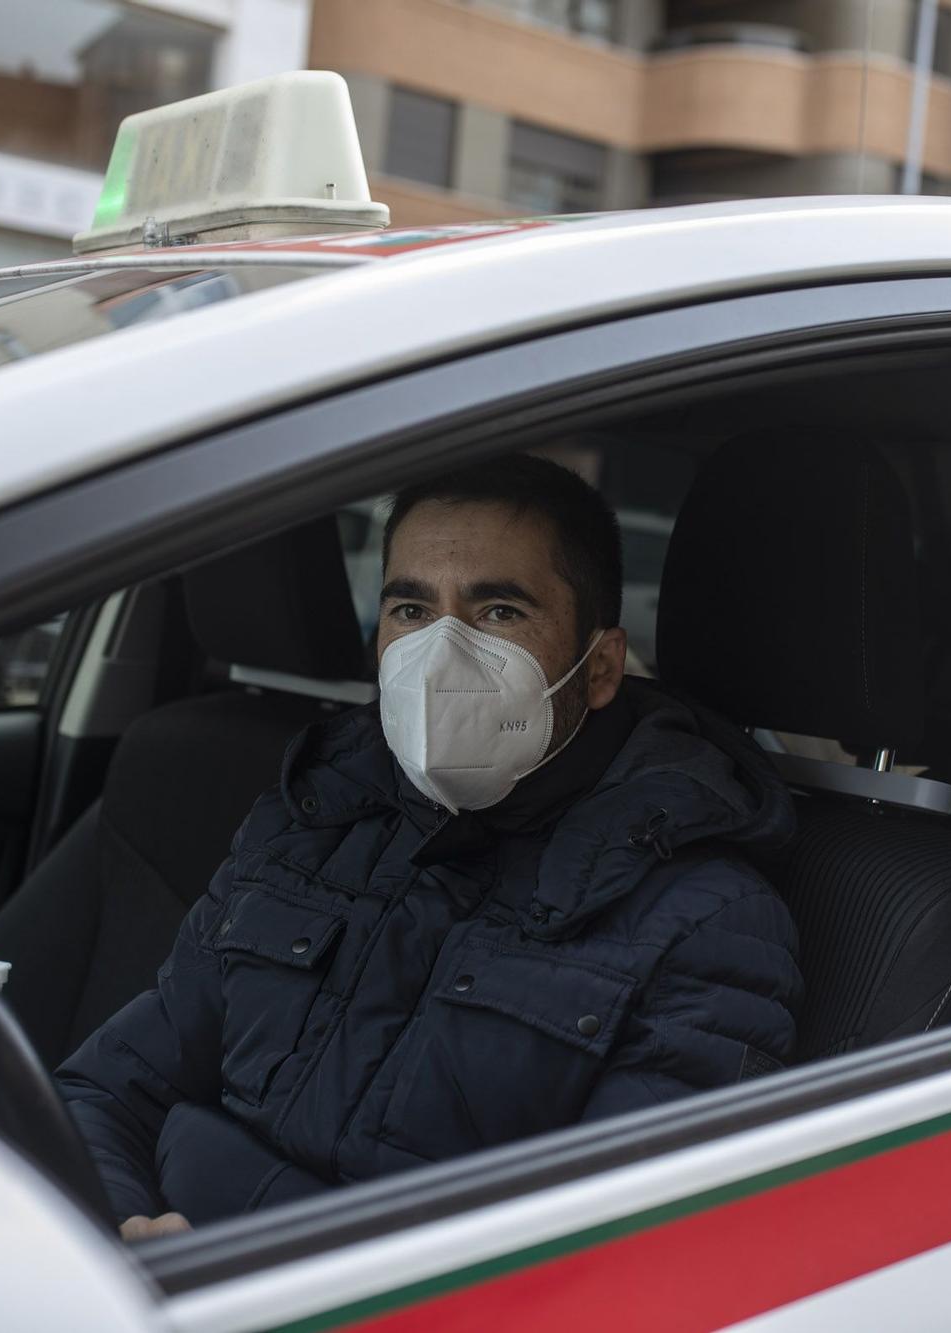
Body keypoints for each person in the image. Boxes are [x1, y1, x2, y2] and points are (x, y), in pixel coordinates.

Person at [58, 454, 801, 1237]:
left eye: (499, 613)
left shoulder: (704, 920)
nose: (441, 654)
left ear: (602, 665)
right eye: (412, 609)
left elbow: (617, 1259)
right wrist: (124, 1231)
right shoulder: (314, 819)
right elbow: (109, 1089)